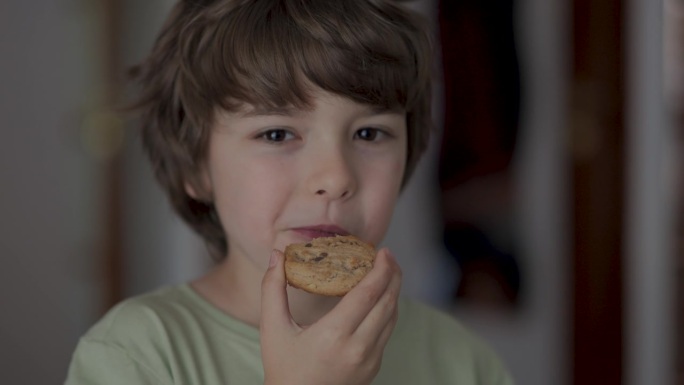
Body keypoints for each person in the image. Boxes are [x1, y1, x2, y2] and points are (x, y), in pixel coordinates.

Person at [65, 0, 514, 384]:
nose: (336, 176)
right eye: (278, 134)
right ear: (197, 166)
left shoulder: (463, 363)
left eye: (370, 134)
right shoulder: (136, 356)